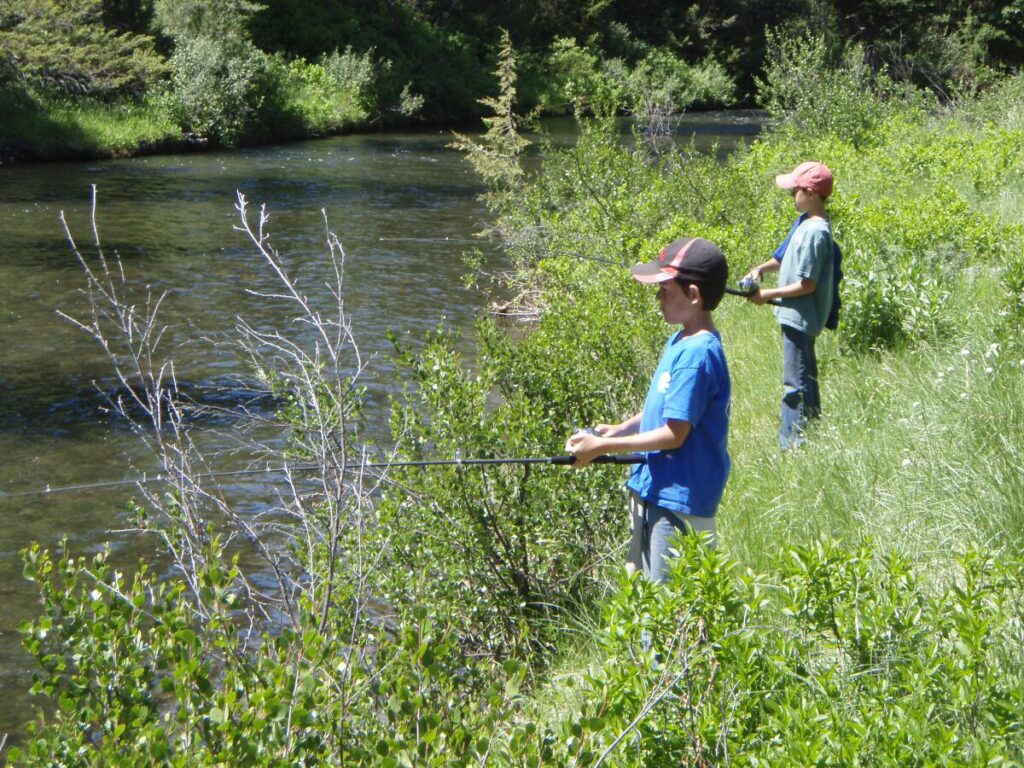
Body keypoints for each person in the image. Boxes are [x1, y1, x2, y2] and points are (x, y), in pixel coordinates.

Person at [566, 237, 731, 584]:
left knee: (667, 605)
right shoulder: (680, 340)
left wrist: (600, 447)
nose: (657, 297)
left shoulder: (698, 354)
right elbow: (671, 410)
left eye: (665, 290)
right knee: (641, 592)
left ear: (694, 295)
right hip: (655, 490)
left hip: (678, 501)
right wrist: (620, 429)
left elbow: (675, 434)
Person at [744, 161, 835, 450]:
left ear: (810, 192)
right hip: (794, 316)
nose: (791, 195)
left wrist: (768, 294)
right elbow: (783, 259)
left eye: (795, 190)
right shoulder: (805, 223)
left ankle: (793, 447)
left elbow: (808, 285)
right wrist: (760, 269)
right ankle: (812, 434)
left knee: (794, 385)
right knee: (804, 376)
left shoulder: (816, 232)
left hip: (801, 317)